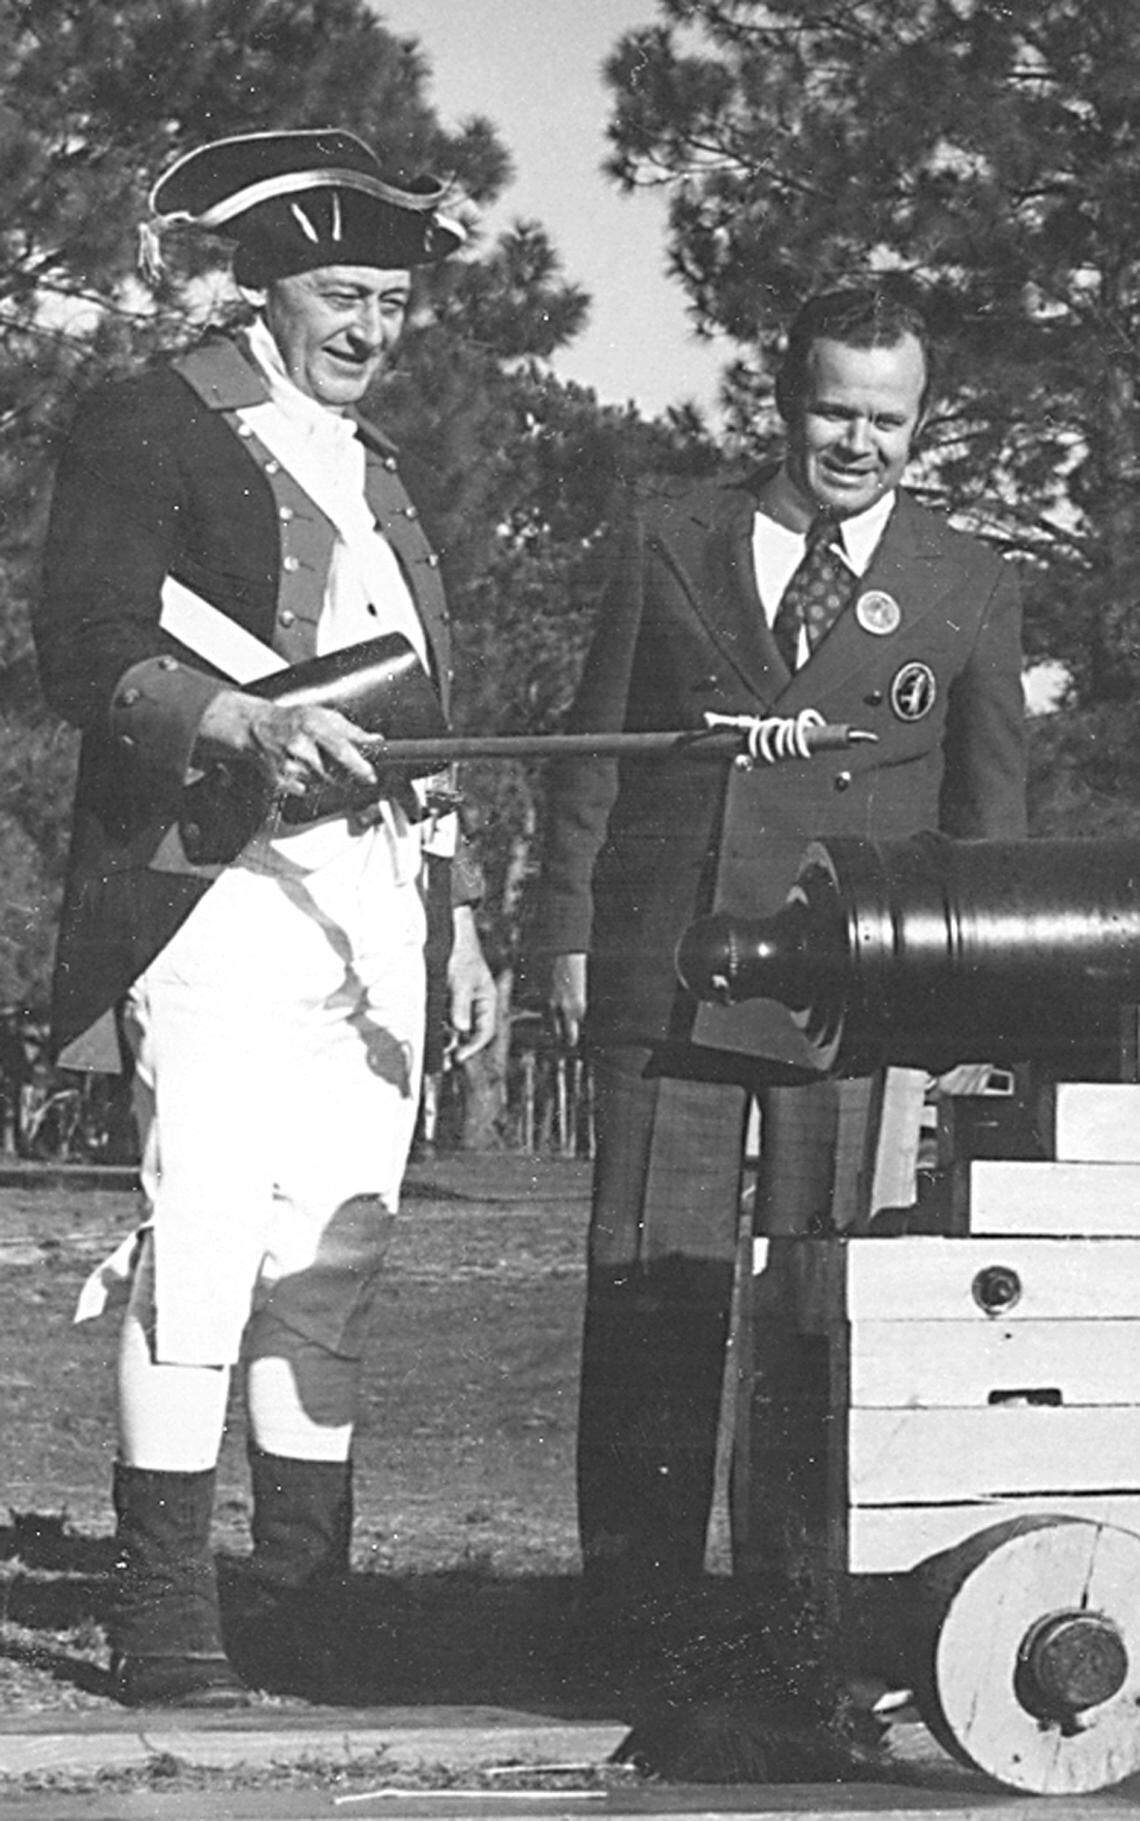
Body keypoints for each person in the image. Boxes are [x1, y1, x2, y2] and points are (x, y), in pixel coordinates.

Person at [34, 127, 496, 1709]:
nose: (372, 328)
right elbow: (82, 644)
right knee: (212, 1244)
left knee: (336, 1254)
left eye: (393, 300)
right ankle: (166, 1621)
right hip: (216, 891)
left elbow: (423, 720)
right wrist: (238, 723)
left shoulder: (385, 478)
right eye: (343, 294)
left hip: (377, 902)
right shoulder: (145, 421)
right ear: (265, 288)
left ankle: (303, 1605)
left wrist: (465, 919)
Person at [532, 286, 1026, 1628]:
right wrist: (562, 937)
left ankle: (802, 1616)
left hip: (856, 1002)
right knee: (650, 1293)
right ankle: (633, 1616)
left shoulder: (969, 581)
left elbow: (990, 825)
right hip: (670, 969)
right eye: (831, 408)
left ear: (922, 424)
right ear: (784, 399)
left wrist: (971, 1002)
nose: (854, 441)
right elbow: (591, 757)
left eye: (886, 417)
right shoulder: (670, 536)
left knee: (833, 1302)